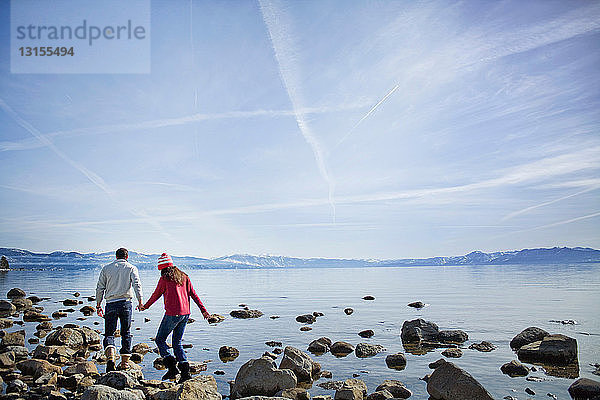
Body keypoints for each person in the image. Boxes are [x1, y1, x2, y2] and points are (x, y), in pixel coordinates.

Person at [140, 253, 210, 383]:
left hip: (172, 314)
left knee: (160, 340)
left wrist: (145, 306)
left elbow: (156, 295)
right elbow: (194, 295)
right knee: (177, 342)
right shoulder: (184, 276)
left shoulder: (164, 279)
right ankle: (185, 374)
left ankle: (171, 366)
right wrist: (204, 311)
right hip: (185, 314)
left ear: (162, 268)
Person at [96, 247, 143, 372]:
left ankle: (111, 357)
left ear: (116, 256)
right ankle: (124, 363)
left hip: (110, 303)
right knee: (126, 332)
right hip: (126, 303)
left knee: (109, 333)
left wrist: (98, 304)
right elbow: (137, 285)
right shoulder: (131, 268)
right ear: (127, 257)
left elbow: (100, 287)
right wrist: (140, 301)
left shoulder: (106, 268)